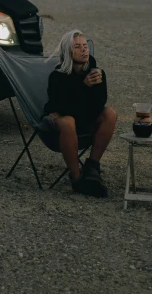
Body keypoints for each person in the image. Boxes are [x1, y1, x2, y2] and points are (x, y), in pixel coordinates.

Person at [43, 29, 117, 197]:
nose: (84, 50)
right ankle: (77, 179)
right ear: (68, 51)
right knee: (68, 120)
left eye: (85, 46)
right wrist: (82, 87)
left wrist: (89, 89)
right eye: (77, 47)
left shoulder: (96, 73)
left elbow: (99, 105)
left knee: (110, 113)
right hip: (60, 125)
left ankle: (92, 167)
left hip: (85, 121)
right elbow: (58, 107)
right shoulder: (57, 76)